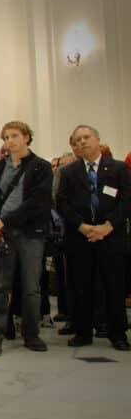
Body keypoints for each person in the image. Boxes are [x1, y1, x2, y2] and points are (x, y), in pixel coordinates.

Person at [0, 121, 53, 356]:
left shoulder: (41, 167)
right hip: (3, 233)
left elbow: (37, 203)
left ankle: (31, 333)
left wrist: (3, 221)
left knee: (32, 287)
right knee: (0, 285)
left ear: (26, 138)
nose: (9, 141)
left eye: (14, 136)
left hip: (31, 233)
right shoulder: (0, 167)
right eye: (5, 137)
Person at [56, 125, 130, 351]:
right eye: (77, 140)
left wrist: (108, 226)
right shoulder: (68, 172)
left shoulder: (118, 169)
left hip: (111, 236)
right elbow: (62, 203)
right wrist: (82, 226)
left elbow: (127, 200)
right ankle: (82, 332)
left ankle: (118, 334)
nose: (82, 142)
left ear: (98, 139)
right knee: (81, 287)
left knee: (114, 286)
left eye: (87, 138)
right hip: (80, 237)